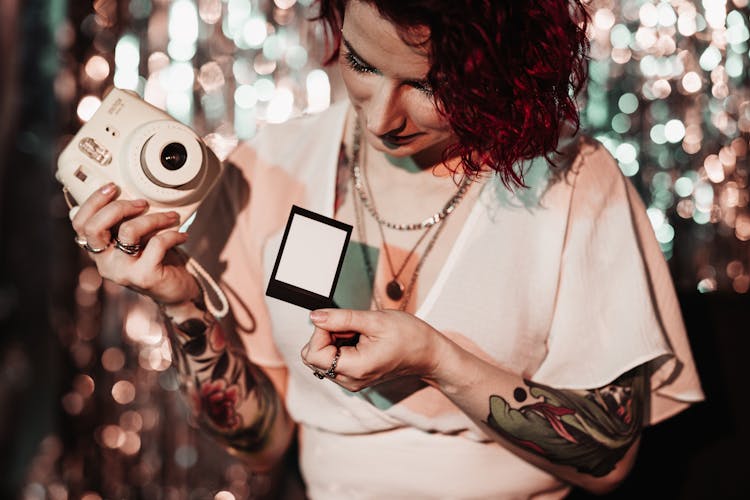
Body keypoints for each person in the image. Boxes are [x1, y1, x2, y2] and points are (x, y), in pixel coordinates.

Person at [69, 0, 704, 497]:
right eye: (364, 65)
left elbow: (609, 461)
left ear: (505, 71)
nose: (380, 119)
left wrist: (437, 360)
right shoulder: (277, 164)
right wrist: (180, 303)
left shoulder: (574, 181)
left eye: (431, 86)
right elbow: (260, 444)